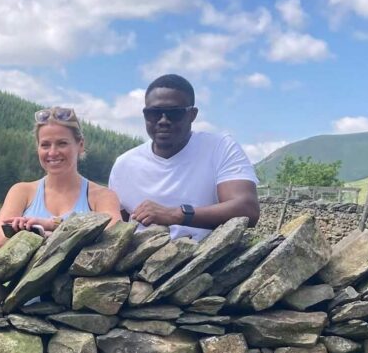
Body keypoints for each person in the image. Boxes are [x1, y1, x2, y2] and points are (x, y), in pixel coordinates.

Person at [108, 74, 259, 241]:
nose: (163, 120)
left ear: (192, 114)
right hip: (139, 263)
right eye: (153, 113)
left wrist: (176, 214)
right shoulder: (124, 165)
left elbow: (247, 209)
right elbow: (117, 228)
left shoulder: (220, 148)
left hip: (204, 260)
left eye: (174, 113)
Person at [0, 107, 121, 247]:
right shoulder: (21, 191)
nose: (53, 152)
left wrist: (50, 226)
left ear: (80, 145)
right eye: (45, 145)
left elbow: (113, 239)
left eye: (62, 143)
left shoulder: (103, 196)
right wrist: (49, 234)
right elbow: (0, 238)